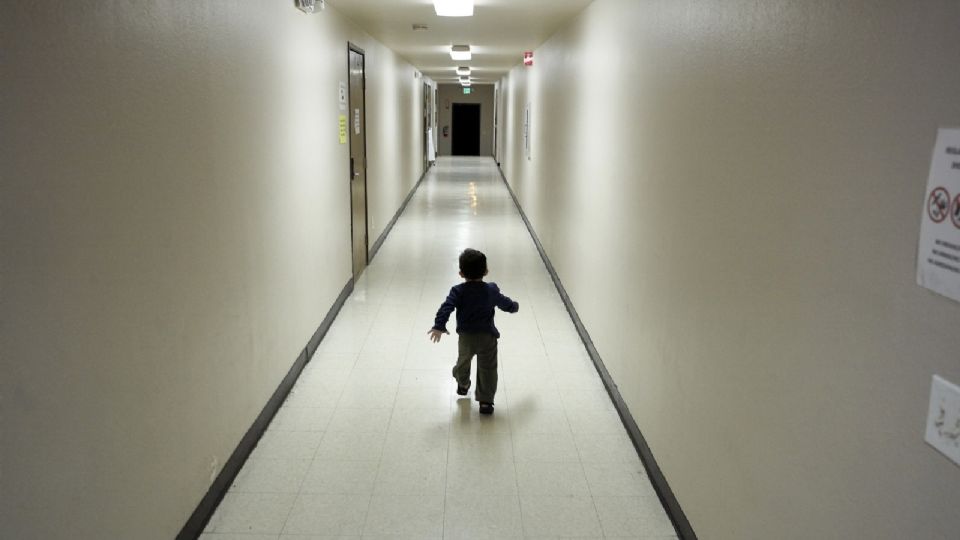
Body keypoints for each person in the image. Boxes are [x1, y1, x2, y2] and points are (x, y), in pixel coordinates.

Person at [428, 248, 519, 415]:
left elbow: (446, 307)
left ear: (461, 273)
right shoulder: (491, 290)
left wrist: (439, 325)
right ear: (486, 271)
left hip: (466, 338)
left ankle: (463, 384)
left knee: (462, 363)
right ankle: (486, 400)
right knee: (488, 369)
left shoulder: (458, 291)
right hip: (487, 337)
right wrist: (513, 307)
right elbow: (504, 303)